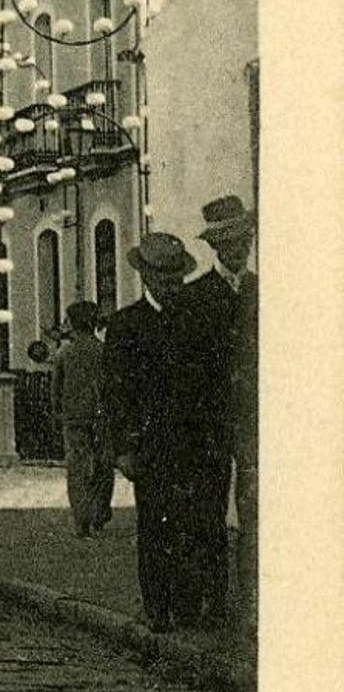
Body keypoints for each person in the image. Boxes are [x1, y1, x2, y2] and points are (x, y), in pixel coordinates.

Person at [102, 234, 229, 633]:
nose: (171, 286)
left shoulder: (199, 319)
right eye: (162, 278)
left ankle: (193, 608)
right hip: (151, 446)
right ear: (146, 278)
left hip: (199, 444)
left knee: (201, 525)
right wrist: (122, 449)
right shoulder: (125, 326)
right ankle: (158, 607)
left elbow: (215, 382)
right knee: (156, 526)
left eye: (176, 278)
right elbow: (115, 393)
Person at [184, 195, 258, 628]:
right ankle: (215, 598)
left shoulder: (261, 291)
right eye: (230, 242)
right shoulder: (196, 297)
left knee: (254, 511)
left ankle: (253, 600)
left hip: (251, 421)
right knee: (208, 512)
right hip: (209, 423)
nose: (239, 248)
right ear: (215, 248)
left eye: (244, 239)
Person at [51, 301, 113, 539]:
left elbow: (56, 388)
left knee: (77, 468)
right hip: (101, 417)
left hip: (74, 418)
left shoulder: (64, 353)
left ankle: (82, 519)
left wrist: (57, 412)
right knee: (102, 466)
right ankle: (99, 514)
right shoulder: (104, 350)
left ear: (74, 324)